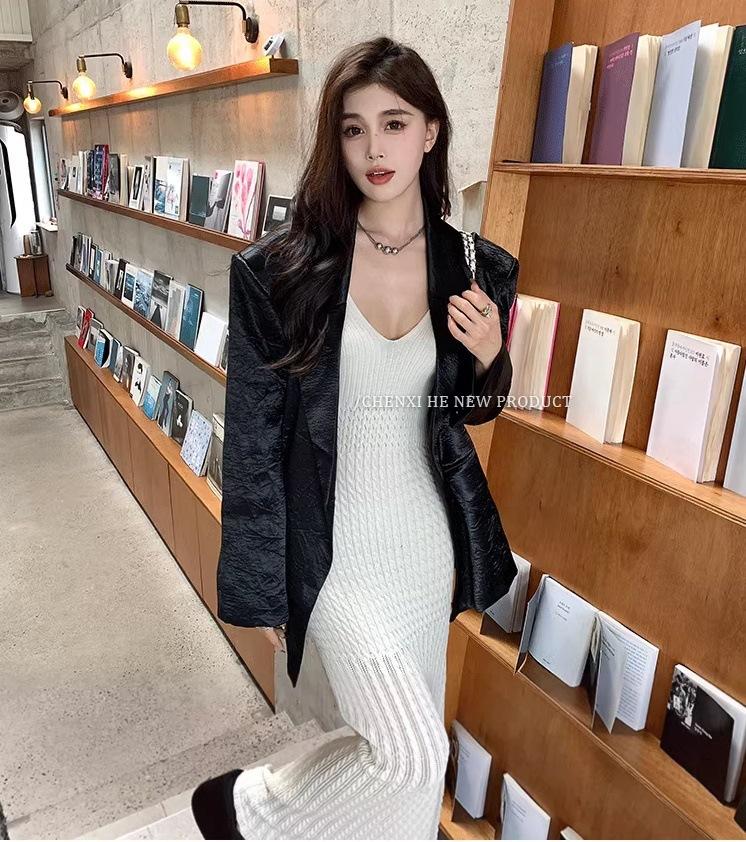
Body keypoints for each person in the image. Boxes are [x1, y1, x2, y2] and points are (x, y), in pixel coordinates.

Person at [191, 36, 520, 840]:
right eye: (353, 128)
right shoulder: (282, 271)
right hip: (332, 551)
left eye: (394, 124)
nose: (375, 149)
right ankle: (245, 807)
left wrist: (491, 359)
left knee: (405, 767)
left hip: (425, 549)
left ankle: (251, 806)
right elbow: (256, 439)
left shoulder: (475, 267)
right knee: (413, 755)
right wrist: (265, 578)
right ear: (334, 141)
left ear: (431, 132)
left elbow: (472, 412)